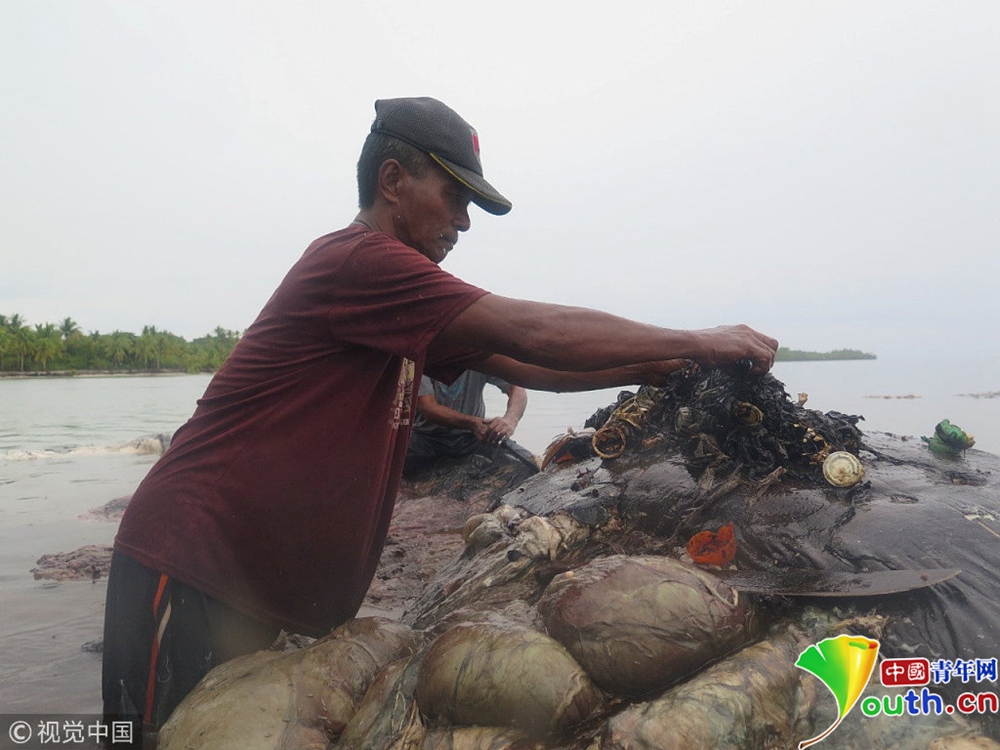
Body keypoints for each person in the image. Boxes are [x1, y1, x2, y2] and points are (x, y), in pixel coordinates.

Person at [102, 96, 779, 735]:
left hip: (247, 584)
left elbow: (532, 364)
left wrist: (655, 368)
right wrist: (698, 340)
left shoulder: (396, 302)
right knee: (151, 737)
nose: (464, 221)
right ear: (393, 181)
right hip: (190, 558)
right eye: (455, 197)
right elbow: (534, 331)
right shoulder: (359, 261)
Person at [403, 370, 535, 476]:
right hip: (425, 437)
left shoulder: (480, 356)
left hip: (473, 438)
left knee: (530, 463)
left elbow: (517, 387)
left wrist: (510, 419)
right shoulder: (426, 356)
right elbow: (428, 408)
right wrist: (473, 423)